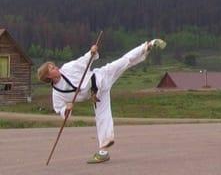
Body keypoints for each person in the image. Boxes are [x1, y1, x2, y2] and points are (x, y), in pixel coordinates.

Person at [37, 39, 166, 163]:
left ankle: (148, 45)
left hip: (101, 77)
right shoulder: (57, 94)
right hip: (96, 95)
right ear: (48, 76)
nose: (55, 67)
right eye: (51, 68)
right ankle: (103, 151)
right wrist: (67, 109)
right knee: (102, 117)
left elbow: (83, 61)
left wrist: (91, 52)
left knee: (124, 61)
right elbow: (60, 110)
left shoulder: (67, 68)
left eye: (53, 65)